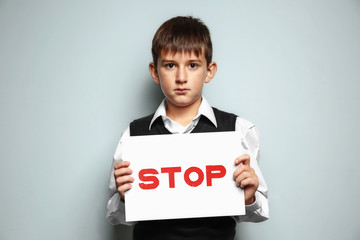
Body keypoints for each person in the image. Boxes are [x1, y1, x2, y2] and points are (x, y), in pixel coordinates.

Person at [106, 16, 269, 240]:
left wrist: (249, 198)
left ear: (209, 71)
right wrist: (125, 198)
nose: (181, 77)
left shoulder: (238, 130)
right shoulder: (133, 135)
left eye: (192, 65)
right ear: (155, 71)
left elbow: (258, 212)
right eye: (170, 65)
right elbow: (116, 217)